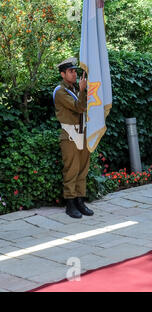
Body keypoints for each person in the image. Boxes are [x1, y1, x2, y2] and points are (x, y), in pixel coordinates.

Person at [53, 57, 94, 219]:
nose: (74, 74)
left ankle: (79, 201)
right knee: (71, 170)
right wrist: (83, 91)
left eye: (75, 71)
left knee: (83, 169)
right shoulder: (60, 91)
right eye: (70, 72)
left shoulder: (75, 89)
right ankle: (70, 204)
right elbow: (80, 107)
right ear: (62, 74)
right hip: (70, 134)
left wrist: (82, 91)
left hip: (82, 132)